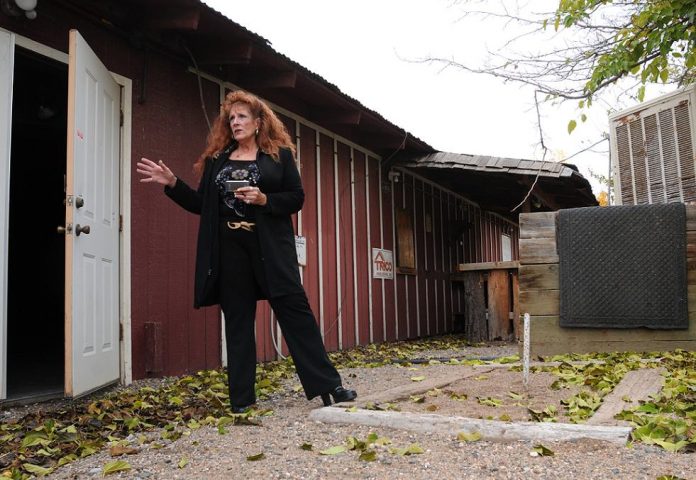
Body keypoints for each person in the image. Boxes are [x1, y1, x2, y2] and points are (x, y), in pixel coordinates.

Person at [136, 90, 357, 412]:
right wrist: (173, 184)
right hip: (229, 251)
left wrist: (265, 199)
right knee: (238, 322)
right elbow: (202, 205)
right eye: (231, 118)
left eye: (241, 117)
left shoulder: (278, 155)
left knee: (296, 313)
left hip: (268, 246)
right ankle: (242, 400)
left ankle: (328, 386)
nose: (235, 122)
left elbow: (296, 198)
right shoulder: (217, 160)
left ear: (258, 122)